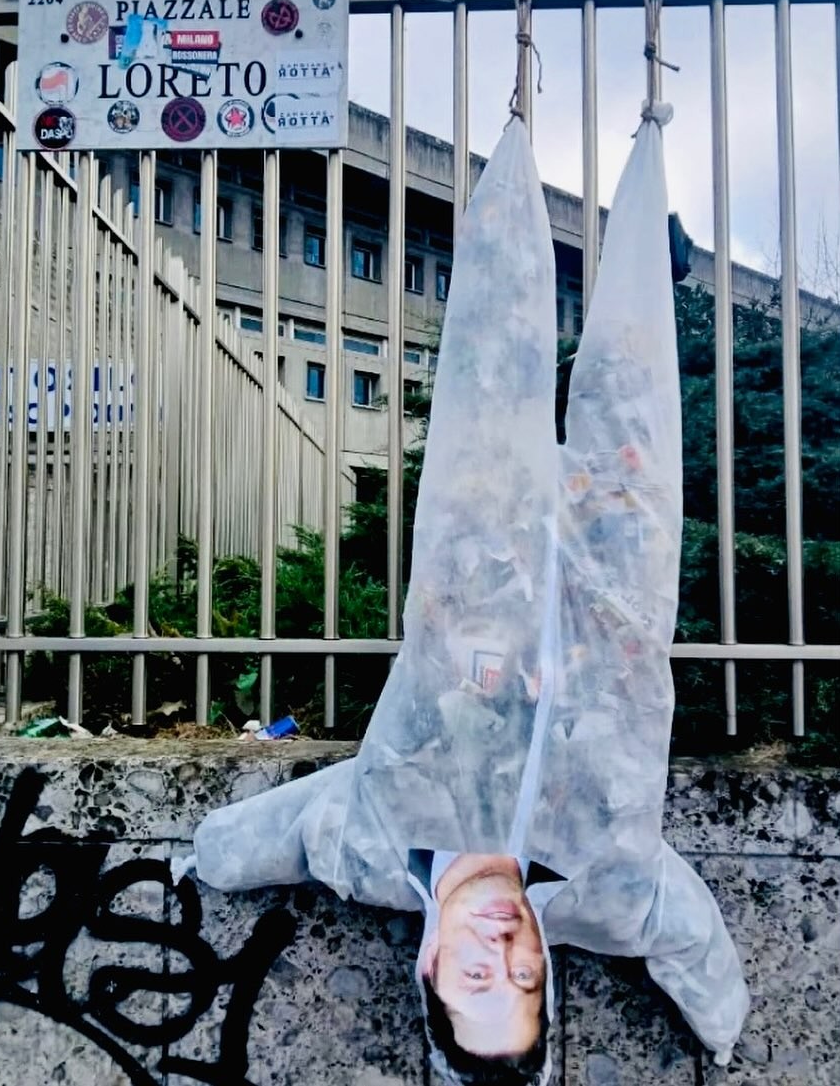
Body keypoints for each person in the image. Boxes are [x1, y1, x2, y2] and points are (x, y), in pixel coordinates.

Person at [173, 108, 750, 1085]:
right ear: (547, 978)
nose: (503, 950)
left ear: (429, 963)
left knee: (493, 358)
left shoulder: (369, 846)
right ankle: (649, 158)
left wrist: (203, 855)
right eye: (524, 981)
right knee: (634, 378)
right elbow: (690, 941)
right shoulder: (611, 892)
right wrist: (723, 1028)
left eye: (475, 976)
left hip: (483, 541)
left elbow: (276, 836)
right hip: (619, 561)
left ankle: (517, 141)